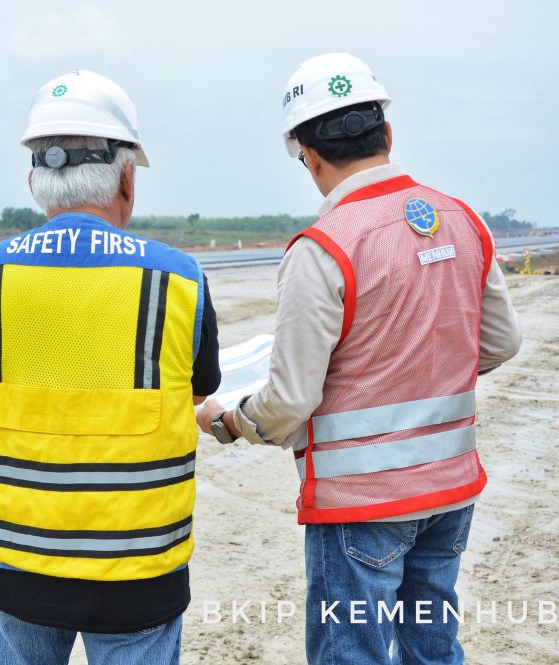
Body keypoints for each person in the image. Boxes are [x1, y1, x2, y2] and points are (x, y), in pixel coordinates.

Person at [197, 53, 522, 664]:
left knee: (352, 654)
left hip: (359, 505)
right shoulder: (463, 219)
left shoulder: (323, 248)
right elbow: (501, 343)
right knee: (432, 646)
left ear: (308, 155)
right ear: (388, 134)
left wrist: (230, 419)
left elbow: (291, 400)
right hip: (450, 491)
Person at [0, 69, 221, 665]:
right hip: (137, 563)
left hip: (10, 555)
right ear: (127, 177)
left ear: (34, 179)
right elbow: (204, 386)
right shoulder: (178, 278)